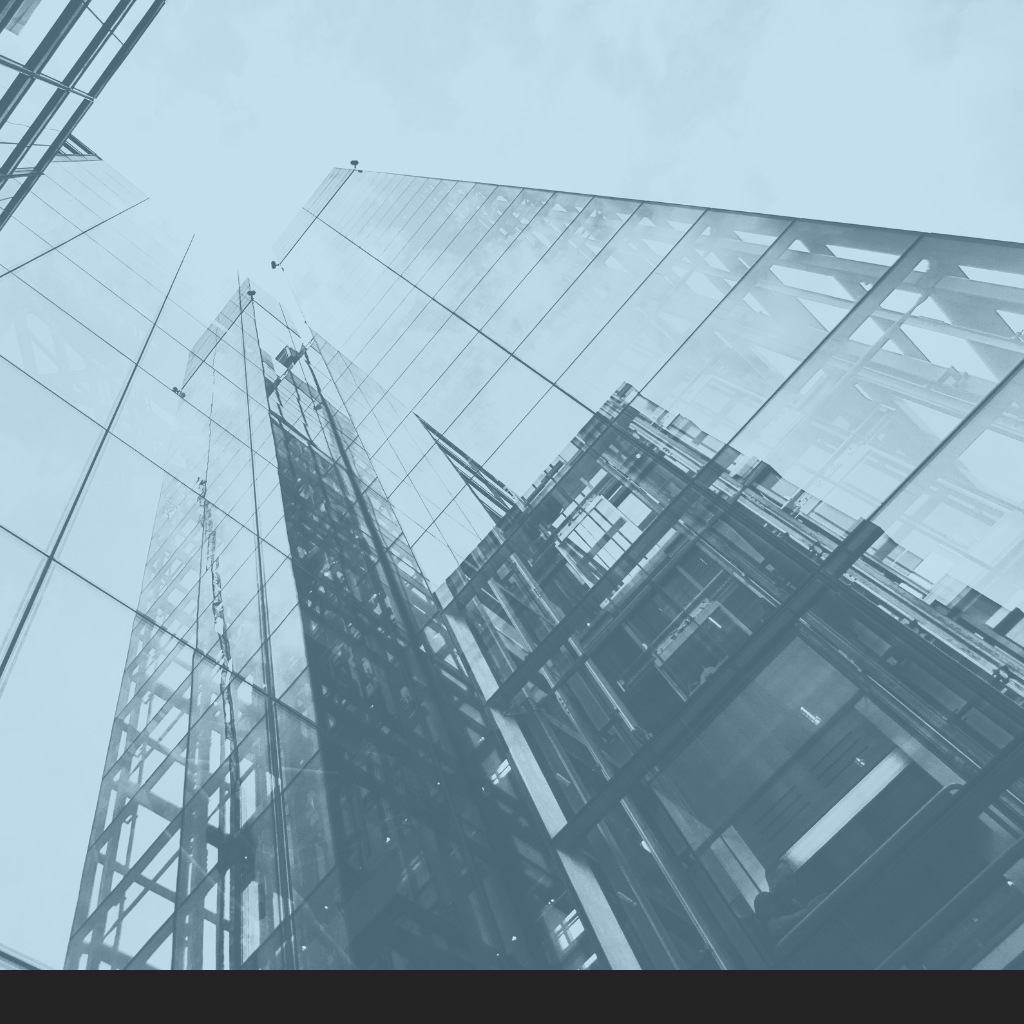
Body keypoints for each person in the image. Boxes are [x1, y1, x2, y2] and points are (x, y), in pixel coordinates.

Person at [754, 861, 825, 941]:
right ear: (771, 879)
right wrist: (809, 910)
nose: (793, 882)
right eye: (788, 878)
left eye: (793, 878)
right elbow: (776, 928)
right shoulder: (763, 898)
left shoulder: (793, 903)